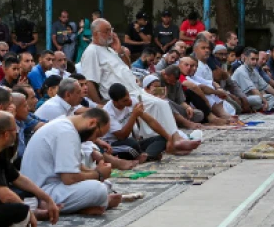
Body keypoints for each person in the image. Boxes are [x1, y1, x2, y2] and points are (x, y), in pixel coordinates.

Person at [80, 19, 198, 153]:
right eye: (106, 31)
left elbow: (127, 67)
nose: (111, 34)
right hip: (121, 96)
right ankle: (173, 140)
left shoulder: (109, 50)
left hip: (134, 90)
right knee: (159, 105)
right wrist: (99, 104)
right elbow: (89, 81)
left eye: (111, 30)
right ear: (95, 34)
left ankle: (173, 139)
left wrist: (120, 51)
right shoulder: (91, 52)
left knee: (162, 103)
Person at [20, 110, 120, 215]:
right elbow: (70, 178)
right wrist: (99, 174)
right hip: (42, 191)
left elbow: (75, 167)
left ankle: (87, 205)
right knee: (99, 189)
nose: (94, 140)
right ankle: (81, 206)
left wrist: (97, 171)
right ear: (92, 123)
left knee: (106, 184)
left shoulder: (65, 125)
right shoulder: (66, 132)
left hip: (50, 186)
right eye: (97, 135)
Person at [102, 84, 169, 162]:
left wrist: (168, 138)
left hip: (132, 143)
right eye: (125, 100)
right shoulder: (108, 112)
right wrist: (134, 115)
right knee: (132, 144)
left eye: (129, 97)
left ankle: (147, 155)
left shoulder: (132, 101)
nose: (129, 101)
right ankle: (147, 155)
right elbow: (122, 136)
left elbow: (150, 120)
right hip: (115, 145)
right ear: (115, 102)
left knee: (162, 138)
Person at [231, 48, 274, 112]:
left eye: (256, 59)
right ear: (245, 58)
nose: (255, 62)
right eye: (252, 59)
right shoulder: (241, 71)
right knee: (258, 99)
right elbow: (254, 90)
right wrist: (265, 101)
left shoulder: (253, 71)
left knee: (273, 97)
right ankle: (258, 108)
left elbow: (266, 86)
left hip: (251, 97)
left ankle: (261, 109)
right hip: (241, 98)